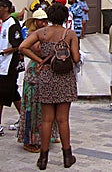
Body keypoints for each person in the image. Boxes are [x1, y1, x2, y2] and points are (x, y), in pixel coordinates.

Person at [19, 3, 80, 170]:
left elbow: (23, 47)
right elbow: (75, 58)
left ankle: (43, 158)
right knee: (63, 120)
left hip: (46, 76)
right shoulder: (70, 34)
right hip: (64, 78)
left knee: (46, 119)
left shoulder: (41, 33)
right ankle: (67, 156)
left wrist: (40, 61)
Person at [17, 9, 59, 153]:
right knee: (33, 107)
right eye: (41, 20)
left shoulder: (46, 33)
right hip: (35, 73)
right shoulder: (33, 34)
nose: (44, 23)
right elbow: (35, 50)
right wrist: (40, 60)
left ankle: (49, 136)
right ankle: (30, 140)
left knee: (46, 106)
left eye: (46, 20)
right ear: (35, 22)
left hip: (46, 72)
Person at [0, 0, 23, 137]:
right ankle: (25, 119)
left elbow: (17, 45)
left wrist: (4, 52)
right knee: (13, 92)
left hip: (8, 65)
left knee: (1, 95)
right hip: (2, 65)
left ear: (5, 8)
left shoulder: (12, 24)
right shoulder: (3, 24)